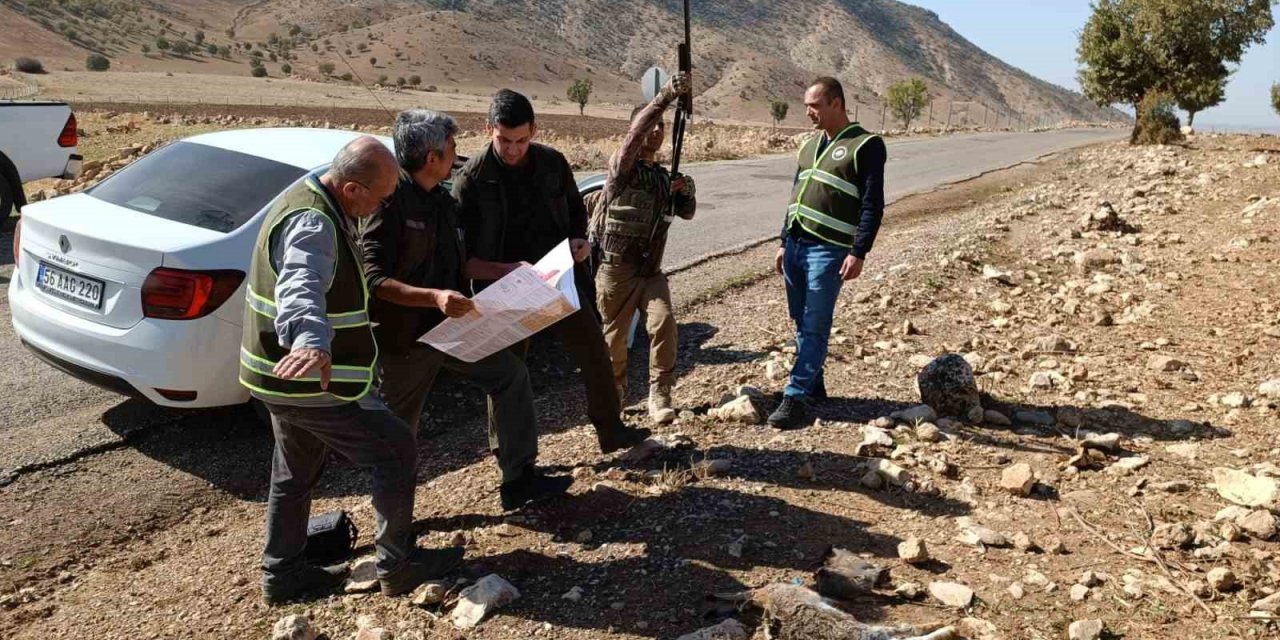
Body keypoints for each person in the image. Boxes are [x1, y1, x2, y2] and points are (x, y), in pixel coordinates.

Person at [239, 137, 462, 604]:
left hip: (279, 378)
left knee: (294, 472)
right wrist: (312, 341)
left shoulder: (307, 195)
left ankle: (282, 575)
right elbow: (301, 284)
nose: (383, 205)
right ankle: (397, 567)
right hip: (312, 378)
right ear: (351, 188)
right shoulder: (313, 222)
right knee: (395, 449)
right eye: (380, 197)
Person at [357, 109, 572, 511]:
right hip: (405, 343)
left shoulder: (442, 199)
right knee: (397, 437)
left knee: (510, 376)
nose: (458, 152)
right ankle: (397, 538)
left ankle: (519, 480)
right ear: (431, 158)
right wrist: (433, 297)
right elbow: (373, 280)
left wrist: (510, 272)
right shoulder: (388, 203)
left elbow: (464, 264)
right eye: (452, 146)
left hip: (453, 329)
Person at [451, 89, 650, 454]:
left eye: (522, 140)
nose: (513, 149)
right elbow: (461, 258)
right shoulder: (471, 179)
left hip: (557, 282)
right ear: (487, 129)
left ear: (535, 131)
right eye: (504, 140)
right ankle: (510, 458)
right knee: (508, 374)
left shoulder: (552, 163)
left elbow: (577, 213)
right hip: (505, 290)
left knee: (594, 352)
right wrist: (505, 270)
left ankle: (611, 430)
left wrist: (579, 242)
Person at [769, 77, 887, 430]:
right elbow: (796, 194)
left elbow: (872, 204)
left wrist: (859, 251)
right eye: (807, 105)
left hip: (829, 250)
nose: (809, 112)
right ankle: (814, 381)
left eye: (816, 105)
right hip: (795, 245)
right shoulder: (808, 146)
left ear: (837, 103)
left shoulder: (865, 145)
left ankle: (796, 395)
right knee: (800, 320)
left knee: (816, 324)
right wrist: (782, 241)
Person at [592, 72, 696, 424]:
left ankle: (660, 392)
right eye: (651, 125)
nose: (656, 132)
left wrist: (685, 193)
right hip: (616, 270)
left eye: (662, 127)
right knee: (614, 343)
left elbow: (688, 214)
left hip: (650, 271)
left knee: (664, 323)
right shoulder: (622, 167)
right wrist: (665, 96)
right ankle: (615, 397)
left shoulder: (663, 176)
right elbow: (636, 132)